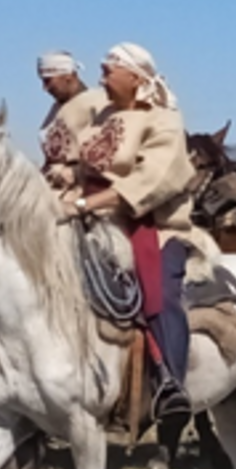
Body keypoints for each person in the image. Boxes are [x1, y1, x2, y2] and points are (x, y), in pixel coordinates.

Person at [70, 42, 199, 424]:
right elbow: (87, 165)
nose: (101, 78)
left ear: (135, 78)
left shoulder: (164, 121)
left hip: (152, 225)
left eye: (109, 70)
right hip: (93, 221)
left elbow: (153, 180)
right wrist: (68, 178)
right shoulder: (101, 117)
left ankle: (169, 382)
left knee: (160, 291)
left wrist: (84, 205)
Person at [37, 51, 109, 193]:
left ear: (68, 76)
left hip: (85, 192)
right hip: (53, 188)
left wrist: (75, 172)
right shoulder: (56, 109)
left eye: (48, 80)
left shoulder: (98, 102)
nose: (45, 88)